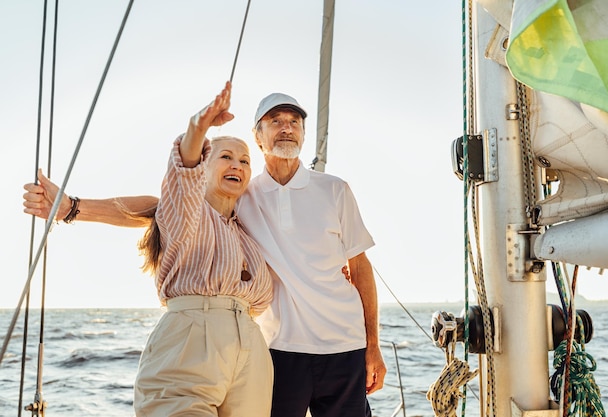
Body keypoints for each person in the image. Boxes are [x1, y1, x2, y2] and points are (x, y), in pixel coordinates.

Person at [23, 90, 386, 417]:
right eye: (275, 121)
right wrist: (71, 207)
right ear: (259, 137)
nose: (286, 128)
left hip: (304, 351)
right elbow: (161, 203)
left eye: (294, 122)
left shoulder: (311, 196)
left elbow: (359, 267)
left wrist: (373, 344)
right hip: (254, 349)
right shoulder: (225, 199)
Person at [56, 81, 274, 417]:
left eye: (245, 161)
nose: (238, 166)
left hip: (250, 349)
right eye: (226, 157)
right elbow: (182, 175)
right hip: (191, 339)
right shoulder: (184, 211)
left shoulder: (249, 230)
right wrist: (197, 129)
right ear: (205, 166)